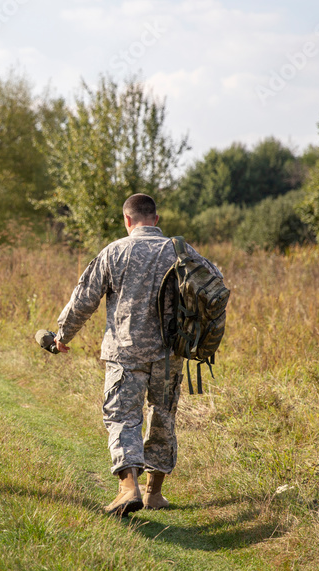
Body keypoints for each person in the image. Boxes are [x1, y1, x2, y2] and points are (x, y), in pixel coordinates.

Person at [53, 193, 215, 516]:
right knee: (163, 416)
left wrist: (62, 335)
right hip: (169, 353)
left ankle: (129, 488)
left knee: (123, 416)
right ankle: (154, 493)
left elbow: (84, 298)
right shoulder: (178, 250)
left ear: (127, 220)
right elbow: (214, 285)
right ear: (156, 220)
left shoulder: (114, 252)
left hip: (125, 353)